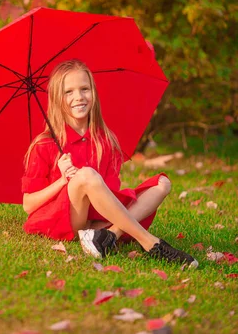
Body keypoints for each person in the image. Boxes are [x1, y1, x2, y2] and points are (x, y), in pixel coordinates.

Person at [22, 59, 198, 268]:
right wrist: (62, 181)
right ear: (57, 98)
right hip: (66, 219)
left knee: (162, 184)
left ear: (93, 93)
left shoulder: (105, 141)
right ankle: (150, 243)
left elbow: (110, 194)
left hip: (98, 218)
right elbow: (28, 205)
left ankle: (109, 236)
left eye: (84, 89)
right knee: (86, 175)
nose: (78, 97)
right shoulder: (44, 144)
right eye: (68, 92)